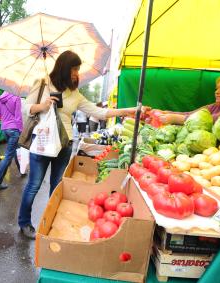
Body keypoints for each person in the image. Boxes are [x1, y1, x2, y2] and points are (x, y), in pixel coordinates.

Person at [18, 50, 136, 239]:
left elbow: (98, 112)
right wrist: (43, 106)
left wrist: (127, 111)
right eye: (74, 69)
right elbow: (26, 108)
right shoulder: (42, 84)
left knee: (57, 186)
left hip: (64, 144)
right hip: (42, 142)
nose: (76, 74)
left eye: (78, 69)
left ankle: (51, 222)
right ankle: (24, 223)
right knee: (34, 185)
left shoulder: (75, 94)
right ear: (64, 68)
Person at [0, 91, 23, 191]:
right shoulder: (16, 98)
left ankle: (22, 169)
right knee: (8, 155)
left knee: (14, 150)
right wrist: (21, 130)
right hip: (14, 129)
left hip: (4, 129)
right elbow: (18, 117)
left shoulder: (0, 98)